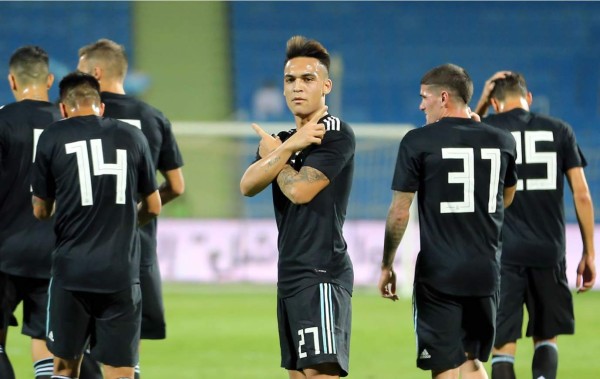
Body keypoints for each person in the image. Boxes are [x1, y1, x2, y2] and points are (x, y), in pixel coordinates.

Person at [378, 63, 518, 379]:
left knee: (444, 367)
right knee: (470, 361)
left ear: (443, 98)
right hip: (486, 273)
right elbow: (506, 198)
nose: (420, 104)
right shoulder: (503, 141)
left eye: (424, 97)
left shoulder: (418, 142)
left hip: (440, 274)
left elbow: (400, 212)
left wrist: (387, 265)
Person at [31, 72, 161, 379]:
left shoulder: (52, 136)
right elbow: (153, 205)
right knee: (121, 369)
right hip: (121, 273)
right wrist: (125, 220)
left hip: (71, 271)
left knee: (63, 367)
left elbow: (40, 210)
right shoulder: (133, 136)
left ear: (63, 109)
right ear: (101, 106)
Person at [240, 35, 355, 379]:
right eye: (290, 80)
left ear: (326, 86)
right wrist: (289, 145)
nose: (296, 87)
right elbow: (247, 185)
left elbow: (301, 190)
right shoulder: (286, 138)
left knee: (320, 373)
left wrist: (279, 154)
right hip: (290, 273)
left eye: (307, 79)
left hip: (321, 272)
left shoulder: (334, 133)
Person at [474, 72, 596, 379]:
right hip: (549, 251)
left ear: (496, 104)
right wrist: (589, 253)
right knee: (546, 337)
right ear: (528, 99)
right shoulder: (559, 130)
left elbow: (465, 129)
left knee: (503, 345)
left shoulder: (488, 128)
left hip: (505, 253)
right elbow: (581, 194)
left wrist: (482, 103)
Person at [76, 38, 185, 379]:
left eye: (80, 73)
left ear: (96, 72)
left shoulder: (72, 115)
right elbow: (178, 187)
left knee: (78, 353)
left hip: (83, 249)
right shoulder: (152, 118)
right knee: (125, 357)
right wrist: (134, 214)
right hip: (135, 251)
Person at [0, 45, 61, 379]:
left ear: (11, 80)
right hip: (54, 253)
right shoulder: (69, 124)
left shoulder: (2, 121)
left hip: (4, 251)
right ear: (49, 79)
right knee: (46, 342)